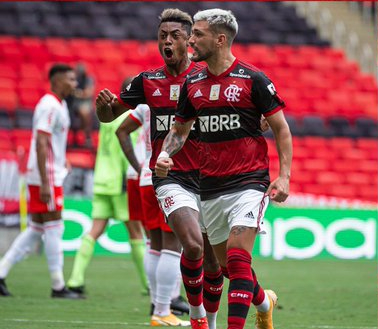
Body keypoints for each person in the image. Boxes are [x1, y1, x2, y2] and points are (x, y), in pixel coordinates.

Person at [155, 8, 293, 329]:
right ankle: (264, 301)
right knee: (231, 270)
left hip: (249, 183)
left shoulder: (253, 79)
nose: (190, 40)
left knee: (236, 257)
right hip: (210, 187)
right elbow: (180, 130)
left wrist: (284, 175)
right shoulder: (193, 82)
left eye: (197, 34)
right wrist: (166, 153)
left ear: (219, 40)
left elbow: (282, 129)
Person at [96, 9, 223, 329]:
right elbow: (112, 118)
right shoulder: (147, 80)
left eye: (175, 36)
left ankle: (176, 309)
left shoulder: (204, 76)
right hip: (169, 177)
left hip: (207, 177)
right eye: (162, 36)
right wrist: (102, 110)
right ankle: (166, 310)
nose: (167, 41)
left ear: (189, 41)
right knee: (183, 245)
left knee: (207, 257)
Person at [0, 64, 82, 299]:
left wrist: (63, 158)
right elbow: (41, 142)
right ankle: (58, 286)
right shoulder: (49, 105)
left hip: (49, 172)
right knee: (55, 227)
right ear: (57, 81)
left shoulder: (61, 104)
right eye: (71, 79)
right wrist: (46, 181)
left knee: (37, 228)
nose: (75, 84)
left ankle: (1, 272)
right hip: (45, 176)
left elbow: (52, 141)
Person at [116, 77, 189, 317]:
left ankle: (159, 303)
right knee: (172, 244)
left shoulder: (146, 103)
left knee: (153, 243)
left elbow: (121, 130)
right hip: (169, 175)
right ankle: (165, 306)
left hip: (147, 177)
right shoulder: (184, 96)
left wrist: (139, 168)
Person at [67, 109, 148, 296]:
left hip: (102, 179)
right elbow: (124, 150)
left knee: (94, 230)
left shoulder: (108, 119)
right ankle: (149, 284)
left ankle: (75, 279)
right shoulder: (131, 121)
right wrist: (125, 180)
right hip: (119, 182)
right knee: (136, 232)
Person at [68, 63, 95, 147]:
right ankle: (84, 136)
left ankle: (87, 136)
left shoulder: (88, 79)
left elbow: (88, 93)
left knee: (85, 111)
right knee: (83, 111)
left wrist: (78, 93)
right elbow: (70, 91)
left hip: (86, 103)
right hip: (75, 103)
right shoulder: (73, 79)